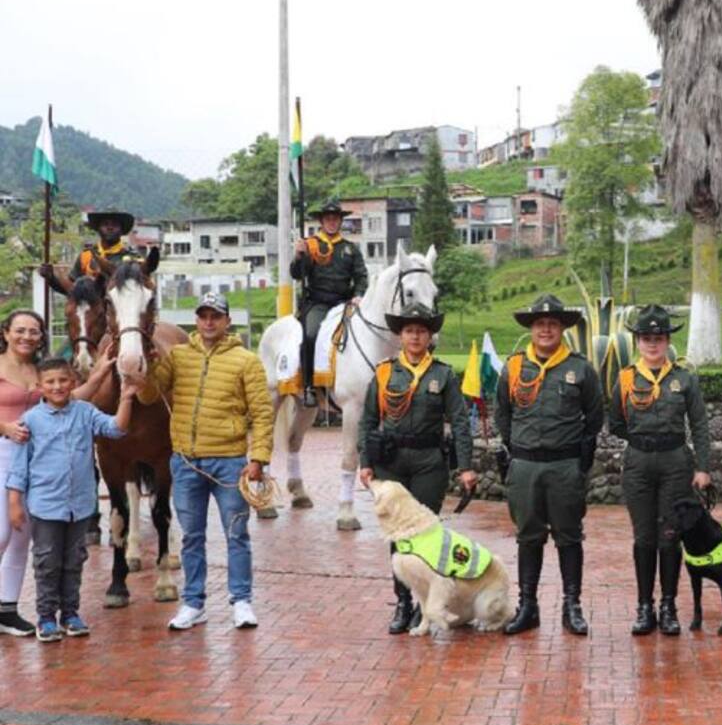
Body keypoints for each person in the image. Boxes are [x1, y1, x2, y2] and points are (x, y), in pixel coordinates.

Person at [134, 292, 274, 632]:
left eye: (216, 316)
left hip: (230, 463)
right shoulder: (178, 356)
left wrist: (258, 458)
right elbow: (149, 395)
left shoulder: (246, 361)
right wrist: (150, 367)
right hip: (186, 462)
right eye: (203, 316)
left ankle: (241, 600)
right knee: (191, 537)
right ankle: (193, 603)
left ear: (227, 321)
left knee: (236, 533)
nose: (209, 322)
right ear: (196, 320)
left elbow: (262, 413)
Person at [357, 302, 479, 634]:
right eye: (409, 331)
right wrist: (365, 462)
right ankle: (402, 602)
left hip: (428, 463)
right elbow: (368, 420)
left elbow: (460, 422)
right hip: (391, 463)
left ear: (430, 336)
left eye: (422, 331)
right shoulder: (385, 372)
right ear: (400, 335)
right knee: (398, 536)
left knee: (426, 535)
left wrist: (465, 467)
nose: (415, 336)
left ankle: (425, 604)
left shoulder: (443, 374)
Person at [0, 310, 115, 637]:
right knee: (1, 533)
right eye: (20, 330)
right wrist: (4, 427)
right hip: (3, 452)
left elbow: (66, 399)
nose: (27, 336)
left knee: (22, 538)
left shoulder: (42, 371)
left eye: (34, 331)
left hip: (38, 461)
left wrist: (98, 376)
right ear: (6, 333)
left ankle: (6, 610)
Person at [5, 358, 136, 641]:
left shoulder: (86, 412)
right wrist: (14, 503)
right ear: (40, 387)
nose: (57, 386)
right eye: (50, 382)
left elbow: (116, 428)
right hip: (45, 505)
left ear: (73, 383)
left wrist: (126, 398)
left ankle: (70, 614)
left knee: (74, 561)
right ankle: (46, 617)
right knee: (47, 562)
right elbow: (18, 467)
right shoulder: (30, 420)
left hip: (80, 505)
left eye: (63, 380)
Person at [496, 294, 603, 636]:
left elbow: (594, 417)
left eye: (552, 324)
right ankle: (528, 606)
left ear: (562, 328)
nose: (546, 330)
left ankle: (572, 606)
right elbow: (502, 414)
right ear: (531, 328)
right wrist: (519, 445)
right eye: (540, 324)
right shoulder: (514, 367)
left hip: (564, 466)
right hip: (525, 466)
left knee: (569, 536)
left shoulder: (580, 369)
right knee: (528, 536)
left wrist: (575, 455)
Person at [608, 305, 711, 636]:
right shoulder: (626, 378)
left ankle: (668, 605)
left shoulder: (684, 379)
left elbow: (699, 425)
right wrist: (642, 440)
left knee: (670, 536)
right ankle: (644, 606)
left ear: (668, 341)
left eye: (659, 338)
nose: (653, 344)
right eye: (646, 338)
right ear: (638, 341)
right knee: (644, 537)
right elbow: (615, 422)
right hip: (638, 463)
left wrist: (703, 467)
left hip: (675, 463)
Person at [290, 201, 368, 408]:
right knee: (310, 335)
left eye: (335, 219)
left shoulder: (351, 248)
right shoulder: (310, 245)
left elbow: (361, 276)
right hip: (318, 302)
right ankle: (309, 385)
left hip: (344, 302)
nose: (332, 222)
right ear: (322, 222)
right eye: (328, 219)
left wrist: (359, 294)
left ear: (340, 221)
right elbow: (297, 274)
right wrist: (299, 255)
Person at [40, 210, 141, 296]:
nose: (110, 228)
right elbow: (71, 289)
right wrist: (51, 278)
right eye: (105, 224)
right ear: (98, 228)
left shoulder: (133, 258)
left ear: (122, 229)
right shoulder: (86, 256)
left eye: (114, 225)